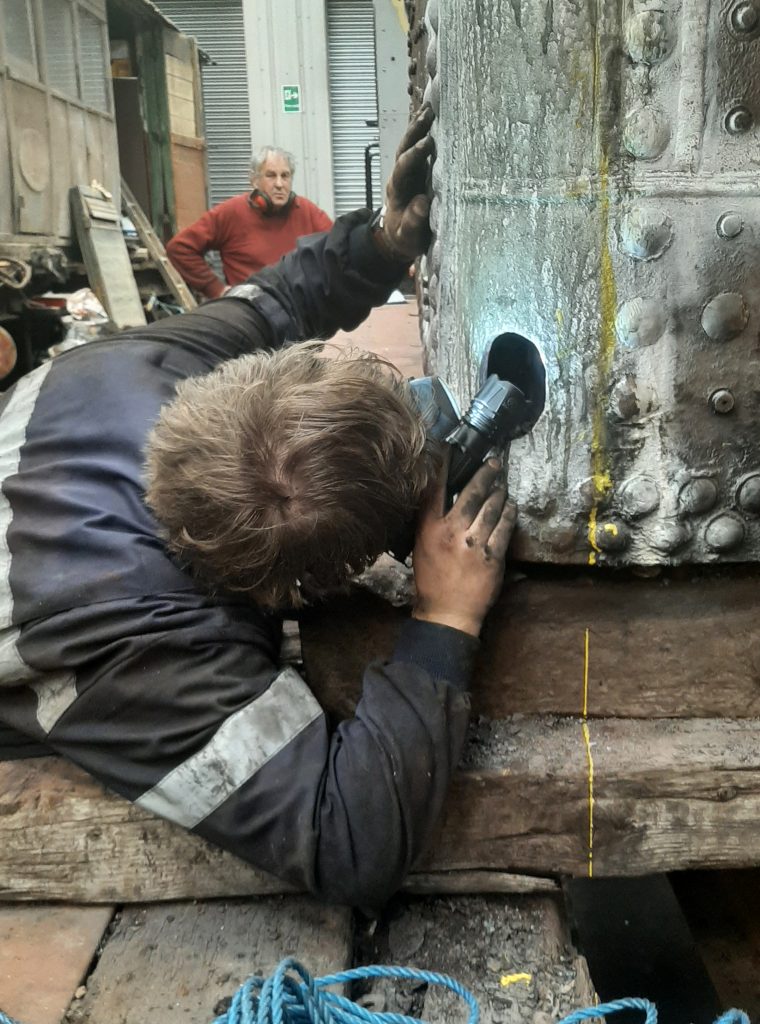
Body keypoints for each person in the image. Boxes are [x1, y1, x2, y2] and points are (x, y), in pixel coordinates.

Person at [0, 108, 517, 908]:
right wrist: (443, 622)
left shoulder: (140, 367)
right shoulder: (150, 655)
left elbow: (278, 299)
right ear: (297, 590)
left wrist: (384, 240)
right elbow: (348, 839)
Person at [166, 146, 333, 300]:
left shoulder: (306, 211)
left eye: (285, 176)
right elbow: (179, 249)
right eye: (271, 176)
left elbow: (337, 247)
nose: (279, 184)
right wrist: (217, 290)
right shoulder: (232, 212)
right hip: (251, 313)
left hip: (298, 314)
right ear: (254, 181)